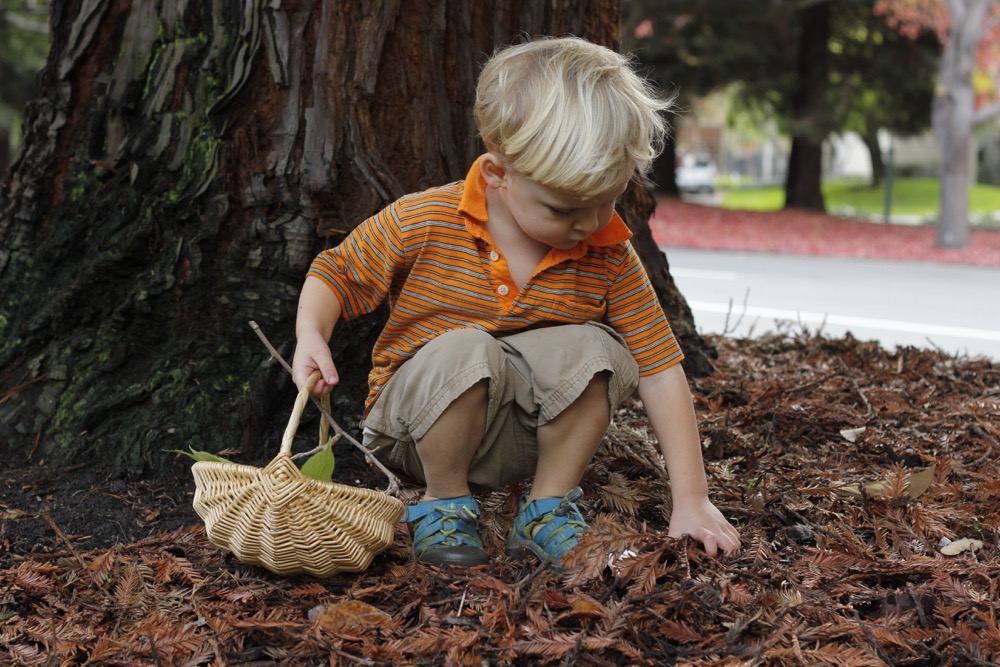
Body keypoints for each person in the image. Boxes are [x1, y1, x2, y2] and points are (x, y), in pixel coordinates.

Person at [291, 36, 740, 568]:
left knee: (596, 348)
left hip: (522, 440)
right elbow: (338, 273)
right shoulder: (428, 219)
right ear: (497, 176)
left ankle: (546, 508)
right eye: (563, 208)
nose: (590, 224)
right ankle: (443, 505)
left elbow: (660, 369)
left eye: (607, 202)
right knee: (468, 349)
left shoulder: (608, 254)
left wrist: (692, 499)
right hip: (415, 432)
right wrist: (311, 336)